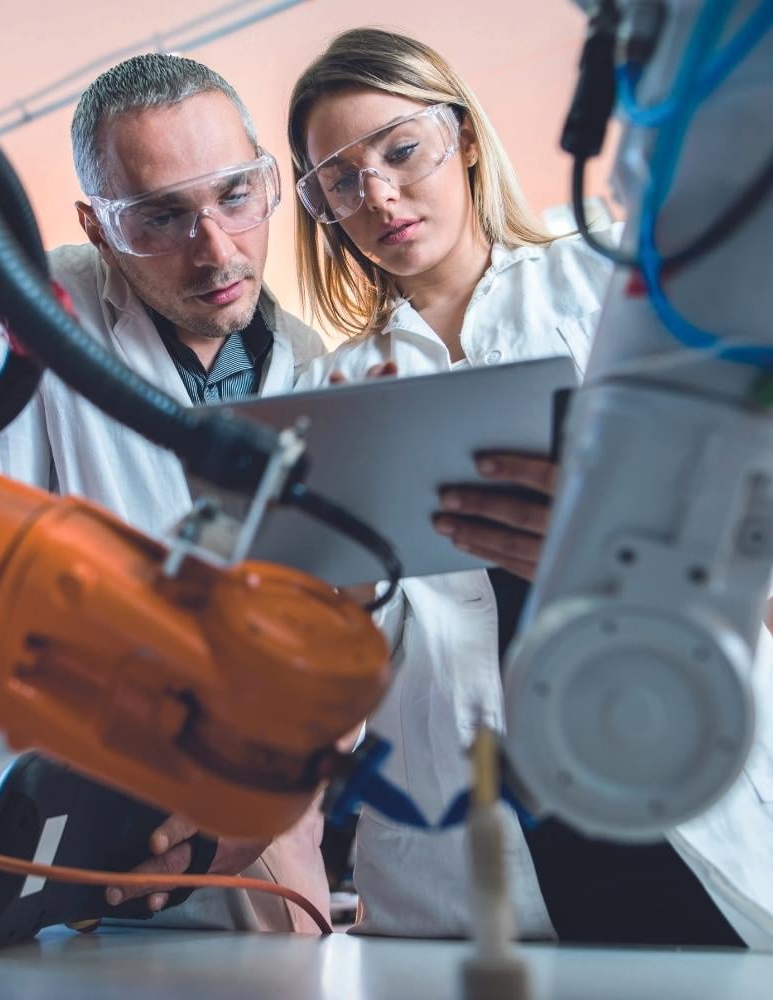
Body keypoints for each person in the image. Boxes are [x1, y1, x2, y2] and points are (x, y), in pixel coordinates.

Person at [288, 28, 773, 947]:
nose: (379, 195)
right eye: (340, 182)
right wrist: (333, 605)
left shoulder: (618, 282)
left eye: (400, 150)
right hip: (458, 867)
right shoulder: (330, 393)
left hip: (680, 801)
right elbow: (335, 678)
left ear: (464, 137)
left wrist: (626, 549)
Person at [0, 52, 329, 954]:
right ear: (98, 223)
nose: (218, 249)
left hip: (259, 851)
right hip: (64, 855)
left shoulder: (310, 360)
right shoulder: (32, 307)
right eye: (161, 215)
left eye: (236, 194)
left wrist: (252, 812)